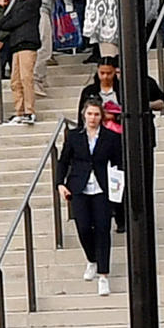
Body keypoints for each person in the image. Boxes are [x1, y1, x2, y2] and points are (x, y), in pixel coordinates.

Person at [58, 96, 130, 294]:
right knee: (83, 227)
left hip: (102, 187)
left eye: (96, 114)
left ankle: (104, 274)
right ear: (84, 115)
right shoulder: (73, 136)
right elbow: (63, 160)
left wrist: (118, 186)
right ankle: (92, 259)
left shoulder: (111, 137)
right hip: (79, 186)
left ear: (101, 116)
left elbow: (119, 163)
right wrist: (60, 184)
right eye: (89, 114)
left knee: (102, 228)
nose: (92, 118)